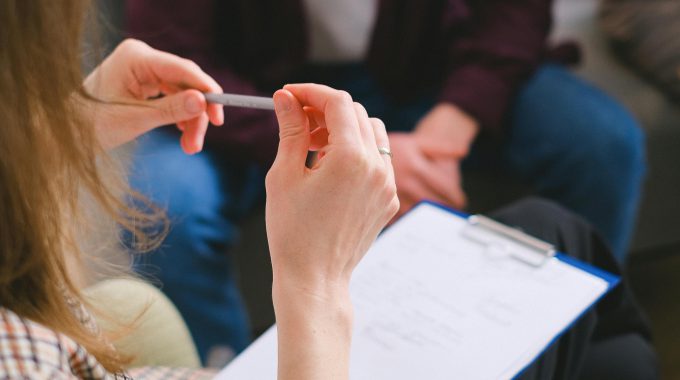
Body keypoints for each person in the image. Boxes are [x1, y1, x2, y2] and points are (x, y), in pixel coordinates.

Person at [0, 2, 658, 378]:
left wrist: (71, 124)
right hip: (256, 103)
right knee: (572, 264)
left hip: (423, 83)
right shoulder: (24, 351)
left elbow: (510, 19)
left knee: (601, 162)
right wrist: (313, 281)